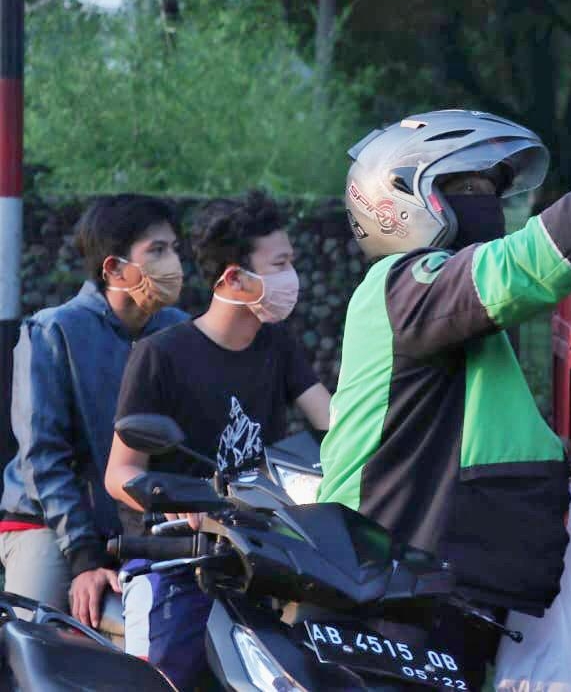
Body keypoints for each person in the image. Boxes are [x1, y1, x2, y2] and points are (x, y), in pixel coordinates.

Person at [318, 110, 571, 677]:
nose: (485, 204)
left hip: (424, 582)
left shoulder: (433, 302)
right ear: (402, 199)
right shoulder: (407, 284)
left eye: (491, 191)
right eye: (466, 188)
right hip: (385, 582)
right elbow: (523, 268)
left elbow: (466, 416)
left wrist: (544, 462)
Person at [105, 190, 330, 689]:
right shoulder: (162, 355)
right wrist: (175, 504)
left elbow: (332, 426)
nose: (292, 276)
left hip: (261, 562)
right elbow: (120, 473)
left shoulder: (278, 345)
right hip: (178, 563)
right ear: (234, 278)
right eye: (282, 263)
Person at [0, 195, 187, 626]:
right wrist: (84, 557)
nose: (173, 262)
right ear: (114, 269)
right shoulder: (53, 330)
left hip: (140, 530)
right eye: (156, 251)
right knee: (33, 639)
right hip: (47, 524)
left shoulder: (178, 330)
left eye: (174, 249)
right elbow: (44, 459)